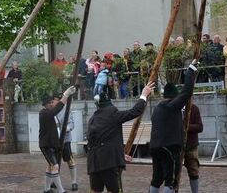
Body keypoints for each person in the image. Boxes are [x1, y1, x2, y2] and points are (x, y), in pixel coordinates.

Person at [87, 82, 155, 193]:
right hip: (109, 163)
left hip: (94, 164)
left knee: (95, 190)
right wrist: (143, 95)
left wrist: (120, 154)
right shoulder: (113, 114)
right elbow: (135, 111)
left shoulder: (93, 119)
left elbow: (98, 142)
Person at [148, 61, 198, 193]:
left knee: (156, 179)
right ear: (174, 97)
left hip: (155, 147)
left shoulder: (158, 108)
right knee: (170, 181)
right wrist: (191, 70)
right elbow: (187, 92)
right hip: (169, 148)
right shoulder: (172, 106)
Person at [39, 86, 77, 193]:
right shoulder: (44, 113)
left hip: (56, 144)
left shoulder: (52, 113)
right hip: (47, 145)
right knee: (55, 166)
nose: (52, 103)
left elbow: (65, 120)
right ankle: (61, 191)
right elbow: (57, 108)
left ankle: (46, 189)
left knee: (52, 166)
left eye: (53, 101)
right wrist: (66, 95)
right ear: (47, 104)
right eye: (51, 102)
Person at [56, 107, 77, 191]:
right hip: (54, 140)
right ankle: (54, 181)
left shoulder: (66, 110)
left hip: (65, 139)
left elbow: (71, 124)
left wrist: (66, 128)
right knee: (54, 163)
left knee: (69, 160)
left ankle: (74, 182)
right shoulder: (52, 110)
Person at [184, 103, 203, 193]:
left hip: (191, 145)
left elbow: (200, 127)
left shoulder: (194, 108)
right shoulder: (175, 106)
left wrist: (186, 127)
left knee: (193, 170)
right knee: (173, 173)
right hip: (177, 145)